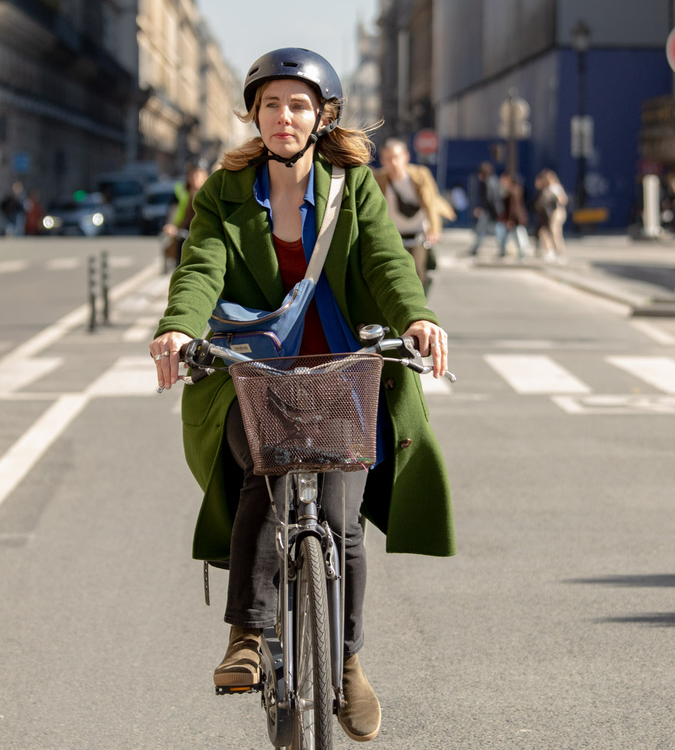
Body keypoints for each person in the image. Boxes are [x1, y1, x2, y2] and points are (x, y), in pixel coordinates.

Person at [149, 47, 454, 743]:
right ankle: (247, 637)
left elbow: (383, 257)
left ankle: (346, 665)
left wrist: (418, 315)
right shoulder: (225, 190)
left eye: (298, 105)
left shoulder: (353, 184)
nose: (284, 116)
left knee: (342, 523)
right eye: (271, 104)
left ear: (322, 117)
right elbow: (201, 265)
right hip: (254, 371)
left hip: (342, 368)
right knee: (263, 477)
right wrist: (176, 329)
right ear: (254, 114)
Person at [372, 137, 453, 295]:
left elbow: (430, 203)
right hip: (393, 235)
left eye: (396, 157)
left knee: (417, 271)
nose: (393, 163)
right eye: (388, 158)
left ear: (406, 157)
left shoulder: (420, 175)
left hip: (418, 232)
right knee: (392, 272)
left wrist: (435, 229)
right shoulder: (379, 179)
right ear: (382, 160)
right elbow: (373, 208)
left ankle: (419, 309)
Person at [162, 160, 210, 271]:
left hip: (205, 238)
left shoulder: (210, 193)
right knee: (180, 268)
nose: (195, 177)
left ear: (205, 175)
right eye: (192, 173)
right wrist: (170, 225)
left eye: (198, 174)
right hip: (183, 235)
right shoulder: (181, 191)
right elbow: (173, 208)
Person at [468, 162, 506, 257]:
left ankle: (476, 248)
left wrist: (482, 209)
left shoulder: (487, 182)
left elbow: (489, 198)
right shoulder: (495, 180)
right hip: (495, 209)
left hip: (490, 211)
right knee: (492, 230)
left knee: (486, 230)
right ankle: (501, 249)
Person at [501, 173, 531, 258]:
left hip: (515, 218)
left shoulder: (511, 192)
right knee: (518, 234)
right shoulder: (518, 190)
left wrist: (510, 219)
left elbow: (512, 207)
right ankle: (505, 251)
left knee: (518, 235)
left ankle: (521, 253)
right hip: (518, 217)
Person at [542, 169, 568, 261]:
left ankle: (561, 253)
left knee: (555, 232)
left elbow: (563, 199)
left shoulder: (556, 187)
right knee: (547, 232)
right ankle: (551, 251)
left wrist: (557, 200)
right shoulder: (547, 188)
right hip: (550, 212)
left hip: (557, 212)